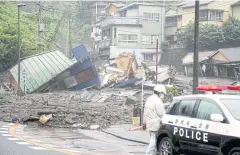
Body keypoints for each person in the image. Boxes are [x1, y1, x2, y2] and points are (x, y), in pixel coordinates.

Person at [144, 85, 166, 155]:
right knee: (154, 140)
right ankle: (148, 153)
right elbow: (161, 113)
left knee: (152, 138)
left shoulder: (149, 99)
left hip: (149, 122)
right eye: (163, 94)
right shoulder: (158, 101)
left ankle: (153, 153)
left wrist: (144, 122)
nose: (163, 96)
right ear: (159, 93)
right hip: (155, 123)